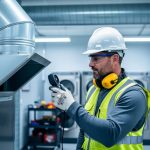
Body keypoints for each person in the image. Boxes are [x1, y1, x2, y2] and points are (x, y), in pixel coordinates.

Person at [51, 27, 150, 150]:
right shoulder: (94, 89)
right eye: (90, 58)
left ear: (115, 59)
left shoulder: (133, 94)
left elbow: (110, 135)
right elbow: (85, 130)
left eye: (96, 58)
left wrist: (72, 106)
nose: (90, 64)